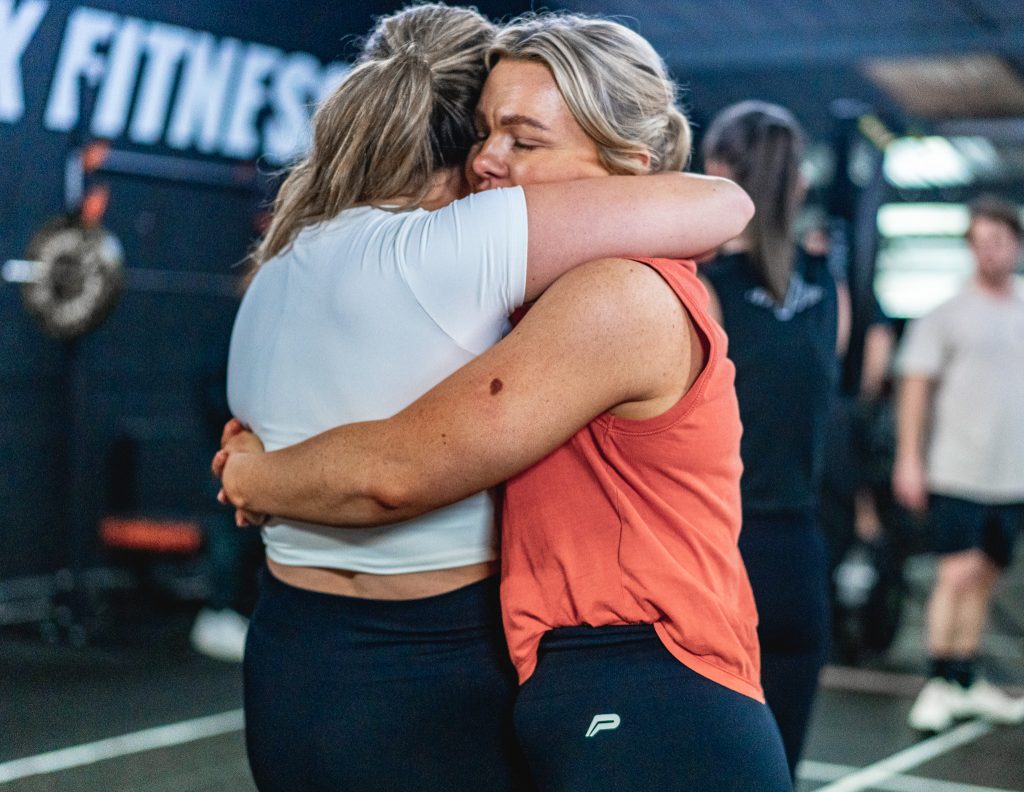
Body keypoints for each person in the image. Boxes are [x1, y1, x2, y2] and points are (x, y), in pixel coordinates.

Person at [218, 14, 791, 790]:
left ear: (632, 170)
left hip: (648, 677)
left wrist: (253, 477)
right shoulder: (506, 294)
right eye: (483, 133)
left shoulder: (612, 293)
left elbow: (398, 469)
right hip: (569, 681)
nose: (487, 160)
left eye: (525, 140)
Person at [699, 101, 848, 777]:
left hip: (721, 553)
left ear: (718, 169)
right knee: (778, 773)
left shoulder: (703, 292)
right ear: (799, 183)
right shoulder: (827, 289)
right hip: (800, 557)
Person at [893, 195, 1024, 732]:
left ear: (1016, 244)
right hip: (956, 469)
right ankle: (937, 679)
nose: (991, 251)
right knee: (956, 573)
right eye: (981, 242)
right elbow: (915, 389)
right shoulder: (945, 314)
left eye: (1000, 241)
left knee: (986, 575)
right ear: (971, 248)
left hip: (1011, 475)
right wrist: (909, 459)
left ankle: (964, 679)